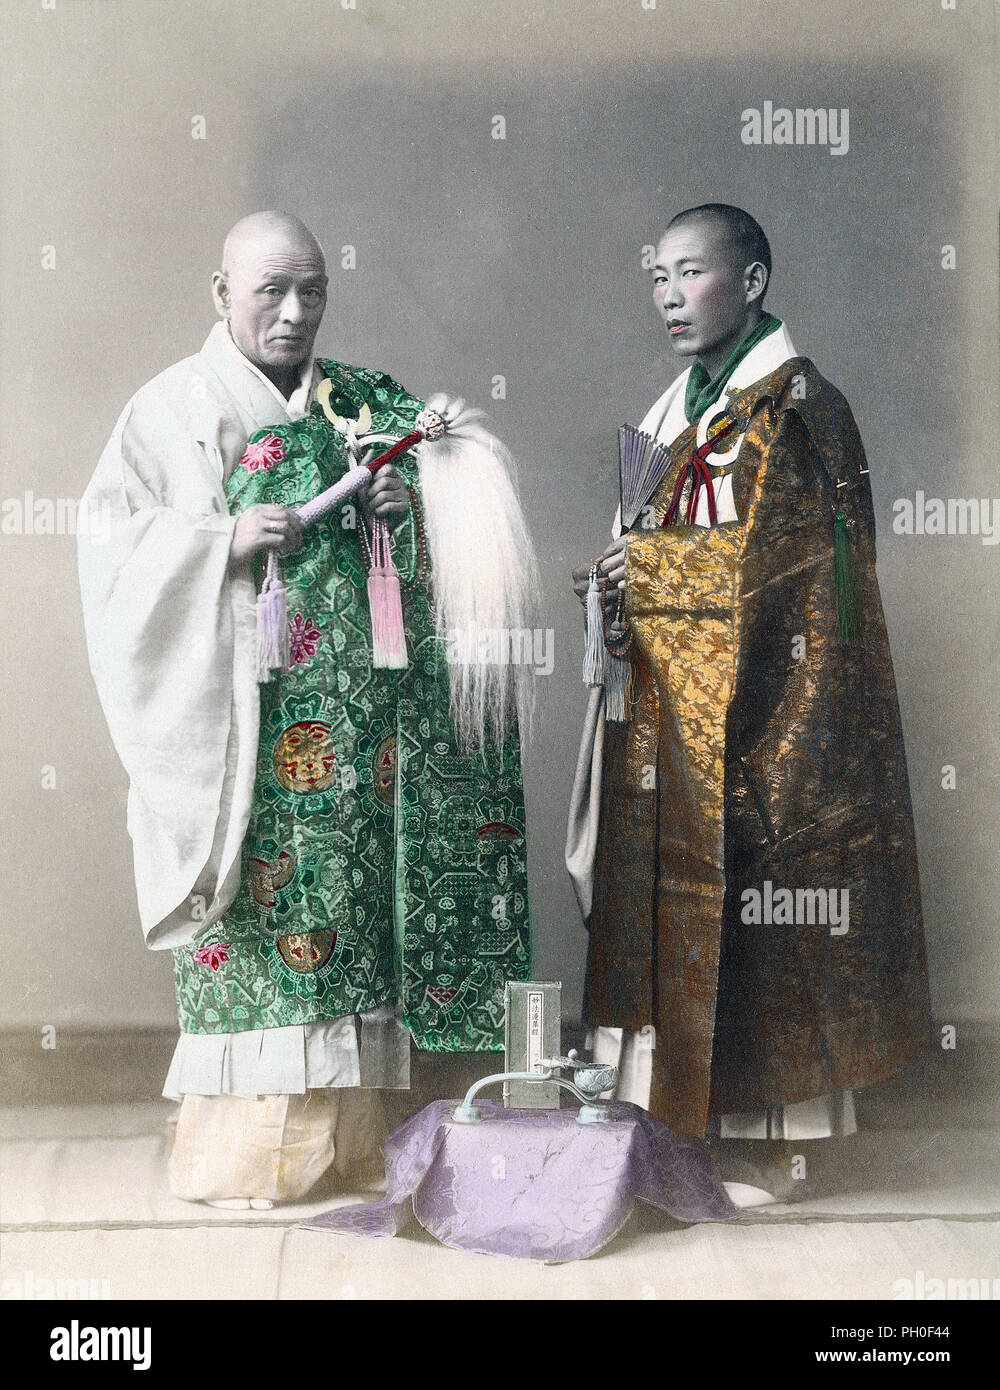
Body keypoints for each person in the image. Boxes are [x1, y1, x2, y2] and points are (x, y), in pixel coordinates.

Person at [80, 212, 537, 1208]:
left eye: (313, 291)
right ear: (220, 292)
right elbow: (115, 553)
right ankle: (249, 1154)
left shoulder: (361, 403)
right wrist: (221, 539)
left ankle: (350, 1145)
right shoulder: (169, 413)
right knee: (264, 921)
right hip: (246, 728)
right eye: (269, 291)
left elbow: (455, 483)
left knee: (351, 919)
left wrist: (406, 507)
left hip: (358, 735)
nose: (294, 312)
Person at [566, 204, 929, 1203]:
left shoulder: (801, 408)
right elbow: (644, 556)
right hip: (672, 713)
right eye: (657, 278)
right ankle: (684, 1123)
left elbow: (791, 569)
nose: (669, 296)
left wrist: (647, 567)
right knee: (672, 897)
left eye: (691, 273)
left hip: (779, 710)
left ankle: (779, 1139)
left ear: (753, 281)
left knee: (767, 903)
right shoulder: (666, 413)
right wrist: (612, 590)